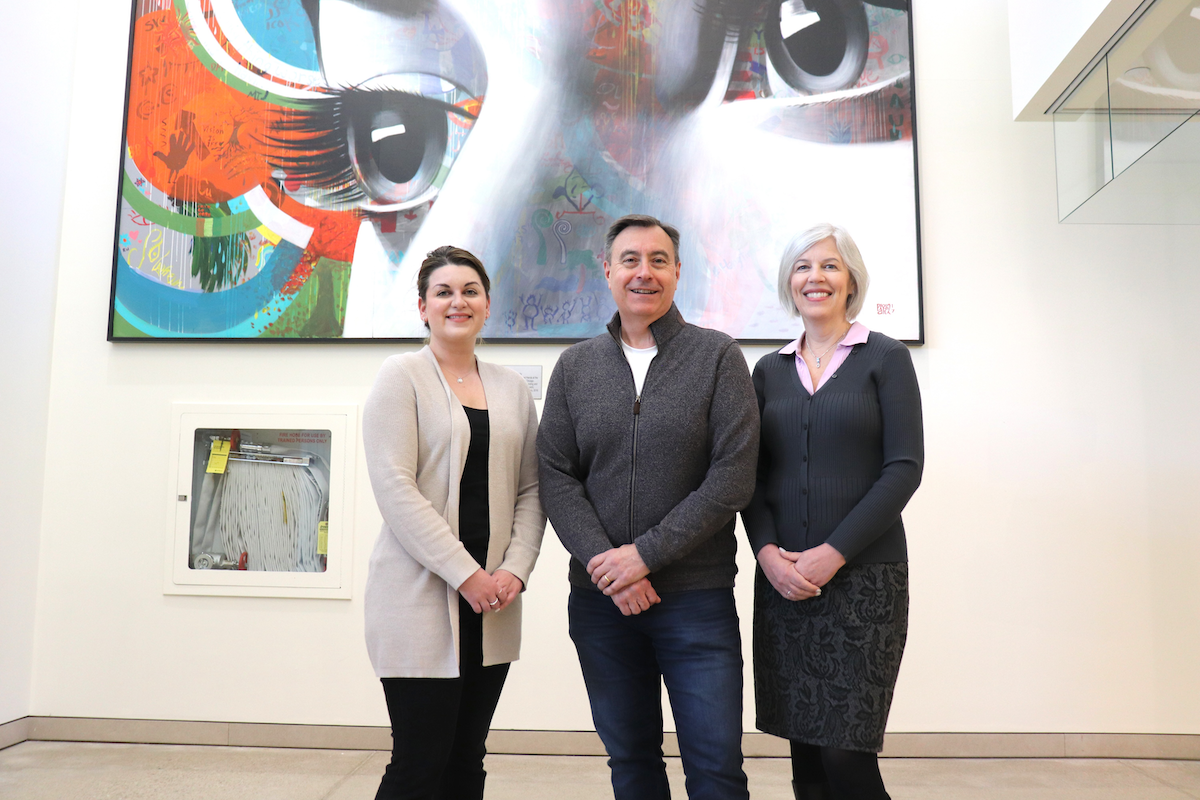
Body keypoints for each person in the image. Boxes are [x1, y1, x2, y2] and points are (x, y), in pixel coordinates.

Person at [537, 214, 760, 800]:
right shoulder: (575, 367)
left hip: (696, 600)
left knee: (715, 770)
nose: (644, 272)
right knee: (631, 763)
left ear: (678, 273)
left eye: (659, 260)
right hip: (602, 603)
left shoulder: (718, 358)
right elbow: (557, 476)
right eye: (630, 259)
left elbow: (732, 477)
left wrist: (645, 556)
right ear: (607, 271)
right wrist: (609, 566)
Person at [741, 224, 923, 800]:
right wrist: (768, 556)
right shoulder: (767, 370)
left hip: (865, 583)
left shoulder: (886, 358)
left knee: (847, 757)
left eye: (829, 266)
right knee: (808, 761)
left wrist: (833, 553)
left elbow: (904, 468)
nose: (814, 278)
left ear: (851, 281)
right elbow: (754, 476)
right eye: (802, 267)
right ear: (788, 283)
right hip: (785, 584)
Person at [361, 245, 546, 800]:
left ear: (487, 305)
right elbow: (396, 489)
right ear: (423, 307)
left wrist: (516, 570)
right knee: (419, 763)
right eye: (443, 292)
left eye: (470, 291)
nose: (457, 301)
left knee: (467, 761)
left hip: (494, 604)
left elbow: (533, 489)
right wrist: (468, 575)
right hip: (419, 600)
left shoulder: (513, 387)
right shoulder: (401, 377)